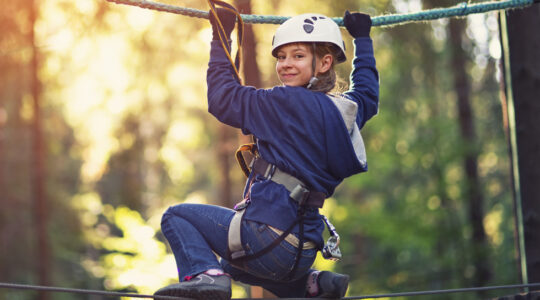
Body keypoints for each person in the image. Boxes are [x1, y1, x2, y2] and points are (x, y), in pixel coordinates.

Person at [154, 8, 379, 300]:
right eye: (281, 57)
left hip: (267, 239)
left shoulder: (280, 103)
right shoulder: (343, 113)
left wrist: (221, 34)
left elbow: (222, 98)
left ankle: (204, 278)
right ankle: (311, 285)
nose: (285, 64)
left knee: (176, 217)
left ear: (324, 63)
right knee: (231, 265)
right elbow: (367, 96)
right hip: (302, 252)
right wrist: (363, 39)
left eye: (297, 56)